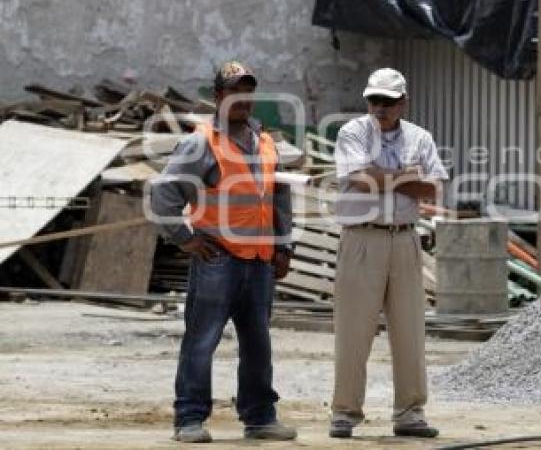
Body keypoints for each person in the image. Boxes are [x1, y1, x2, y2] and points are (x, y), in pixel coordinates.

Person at [149, 60, 296, 443]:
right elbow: (164, 192)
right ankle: (189, 419)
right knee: (202, 341)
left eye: (248, 91)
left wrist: (284, 246)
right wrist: (185, 238)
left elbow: (279, 197)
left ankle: (260, 417)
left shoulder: (264, 142)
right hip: (219, 261)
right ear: (219, 97)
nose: (243, 99)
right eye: (235, 91)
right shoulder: (201, 142)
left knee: (258, 345)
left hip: (260, 262)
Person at [329, 67, 448, 439]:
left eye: (388, 101)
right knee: (353, 329)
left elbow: (433, 190)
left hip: (405, 239)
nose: (380, 107)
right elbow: (359, 179)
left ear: (402, 102)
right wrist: (406, 177)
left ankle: (410, 413)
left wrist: (384, 175)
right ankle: (345, 412)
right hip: (362, 238)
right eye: (374, 100)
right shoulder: (352, 132)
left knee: (410, 328)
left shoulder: (420, 137)